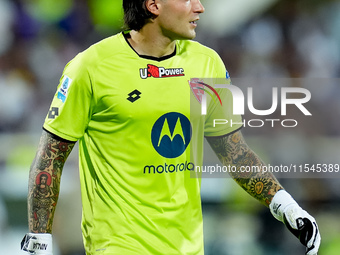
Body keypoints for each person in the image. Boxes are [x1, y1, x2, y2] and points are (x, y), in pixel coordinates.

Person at [21, 0, 321, 254]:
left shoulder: (208, 64)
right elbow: (50, 159)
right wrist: (38, 241)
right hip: (119, 245)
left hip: (188, 246)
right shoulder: (89, 67)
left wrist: (285, 205)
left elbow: (234, 151)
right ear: (153, 5)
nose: (200, 8)